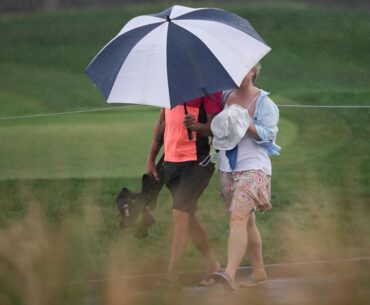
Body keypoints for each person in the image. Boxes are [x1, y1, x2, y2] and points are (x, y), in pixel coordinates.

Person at [212, 64, 280, 290]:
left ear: (254, 72)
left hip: (254, 168)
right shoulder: (223, 96)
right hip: (227, 168)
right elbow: (216, 129)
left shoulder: (264, 103)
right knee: (247, 221)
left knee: (238, 218)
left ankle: (229, 274)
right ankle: (259, 272)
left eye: (245, 69)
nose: (239, 73)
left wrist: (246, 123)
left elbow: (269, 136)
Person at [145, 93, 223, 288]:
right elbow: (161, 127)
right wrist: (150, 159)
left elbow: (216, 129)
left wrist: (197, 126)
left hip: (197, 163)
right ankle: (213, 264)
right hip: (171, 163)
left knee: (179, 211)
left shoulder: (208, 90)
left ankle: (171, 275)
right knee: (187, 215)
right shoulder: (168, 90)